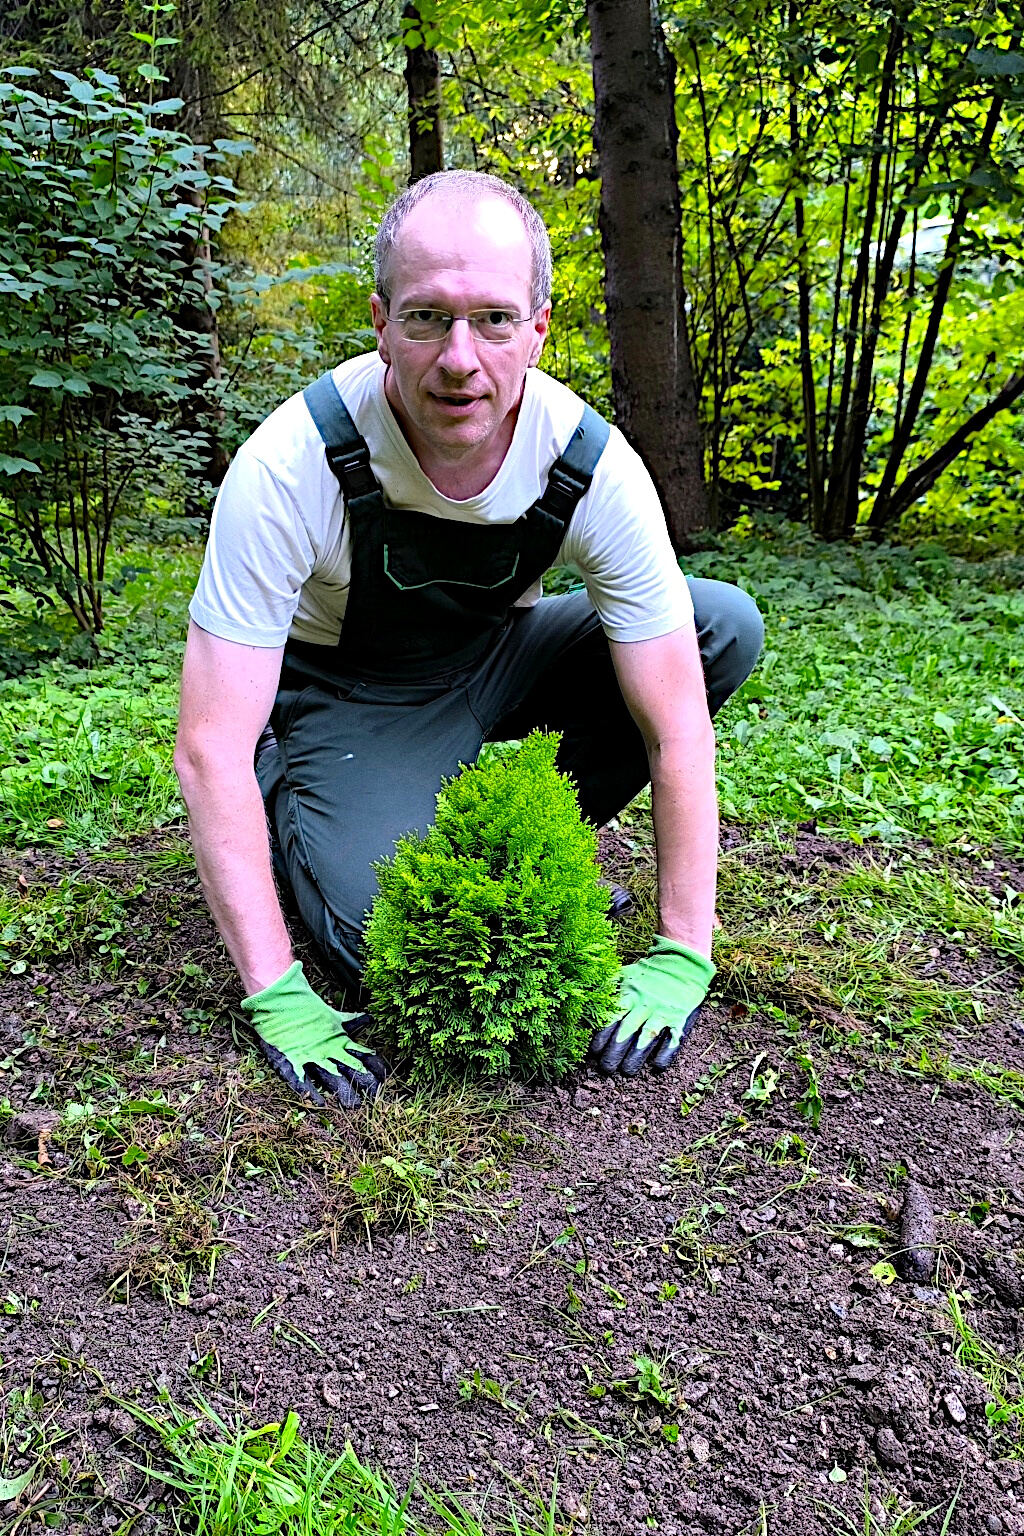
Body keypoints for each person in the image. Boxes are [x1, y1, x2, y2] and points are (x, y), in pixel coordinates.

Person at [174, 170, 764, 1108]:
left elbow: (677, 723)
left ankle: (515, 846)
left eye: (493, 319)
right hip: (343, 696)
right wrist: (276, 992)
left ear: (538, 326)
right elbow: (209, 745)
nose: (459, 358)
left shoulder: (590, 463)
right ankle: (298, 794)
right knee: (393, 936)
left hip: (498, 664)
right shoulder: (291, 466)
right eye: (425, 319)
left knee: (719, 626)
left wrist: (682, 950)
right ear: (379, 321)